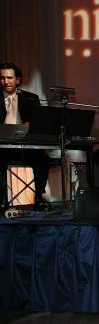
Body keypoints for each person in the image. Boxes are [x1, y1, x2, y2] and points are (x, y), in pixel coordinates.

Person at [0, 62, 50, 212]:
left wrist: (30, 125)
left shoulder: (30, 98)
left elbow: (39, 122)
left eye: (10, 77)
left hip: (25, 144)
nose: (6, 81)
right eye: (2, 78)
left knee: (42, 159)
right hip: (2, 145)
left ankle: (39, 198)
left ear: (18, 80)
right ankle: (2, 200)